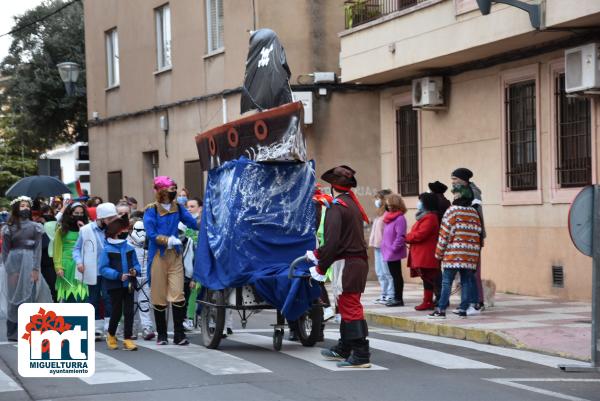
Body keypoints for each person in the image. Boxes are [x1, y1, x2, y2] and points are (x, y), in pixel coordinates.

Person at [309, 165, 371, 368]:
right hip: (355, 262)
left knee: (351, 306)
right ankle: (344, 347)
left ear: (333, 187)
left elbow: (332, 241)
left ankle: (361, 354)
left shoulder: (336, 206)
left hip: (348, 262)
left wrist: (320, 262)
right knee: (346, 305)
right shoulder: (351, 203)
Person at [144, 176, 198, 345]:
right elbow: (151, 234)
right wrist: (168, 240)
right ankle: (161, 334)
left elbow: (193, 223)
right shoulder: (151, 210)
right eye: (169, 190)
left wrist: (207, 221)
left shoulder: (179, 208)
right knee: (159, 295)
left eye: (174, 189)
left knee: (178, 294)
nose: (173, 192)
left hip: (174, 255)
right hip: (158, 256)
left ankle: (179, 334)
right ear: (161, 191)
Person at [1, 196, 52, 341]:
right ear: (17, 208)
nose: (26, 208)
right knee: (14, 297)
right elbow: (5, 252)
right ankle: (12, 332)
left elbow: (37, 250)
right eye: (22, 205)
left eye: (28, 206)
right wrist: (10, 270)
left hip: (30, 262)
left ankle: (29, 330)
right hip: (15, 262)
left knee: (30, 295)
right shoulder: (9, 228)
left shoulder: (36, 227)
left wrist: (35, 269)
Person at [428, 183, 482, 319]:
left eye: (455, 193)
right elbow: (478, 235)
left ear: (458, 195)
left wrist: (438, 253)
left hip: (453, 254)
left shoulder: (452, 211)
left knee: (447, 282)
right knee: (465, 282)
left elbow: (444, 234)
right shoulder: (474, 212)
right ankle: (463, 308)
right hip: (469, 255)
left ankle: (440, 309)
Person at [73, 202, 119, 340]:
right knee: (93, 299)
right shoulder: (85, 230)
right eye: (109, 219)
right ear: (101, 218)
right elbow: (76, 249)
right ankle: (96, 328)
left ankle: (110, 328)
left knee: (108, 297)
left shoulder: (113, 230)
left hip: (108, 269)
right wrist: (79, 262)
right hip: (92, 270)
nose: (112, 222)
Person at [99, 215, 141, 351]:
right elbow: (103, 269)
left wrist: (135, 271)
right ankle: (111, 335)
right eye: (123, 230)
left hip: (129, 284)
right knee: (116, 311)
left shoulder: (129, 247)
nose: (126, 232)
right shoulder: (107, 249)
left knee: (129, 312)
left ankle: (127, 339)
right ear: (117, 232)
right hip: (114, 285)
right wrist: (117, 275)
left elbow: (136, 263)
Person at [451, 168, 486, 313]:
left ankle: (477, 301)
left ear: (463, 180)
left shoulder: (473, 193)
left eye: (455, 179)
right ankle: (467, 301)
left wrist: (479, 235)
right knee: (466, 271)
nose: (453, 182)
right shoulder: (460, 192)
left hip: (472, 236)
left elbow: (477, 216)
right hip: (463, 236)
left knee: (473, 271)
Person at [406, 193, 441, 311]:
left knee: (429, 279)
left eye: (420, 201)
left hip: (426, 253)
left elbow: (421, 234)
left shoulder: (430, 217)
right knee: (427, 278)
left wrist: (407, 237)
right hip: (422, 252)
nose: (418, 203)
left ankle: (428, 301)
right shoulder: (425, 216)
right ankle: (428, 301)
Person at [53, 202, 90, 303]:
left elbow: (90, 247)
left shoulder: (87, 229)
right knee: (69, 296)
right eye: (76, 213)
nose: (78, 216)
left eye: (81, 213)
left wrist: (83, 230)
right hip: (66, 266)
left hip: (82, 265)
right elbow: (57, 250)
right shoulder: (61, 230)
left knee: (82, 295)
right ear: (70, 214)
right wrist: (58, 267)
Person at [127, 218, 155, 341]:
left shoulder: (150, 244)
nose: (142, 233)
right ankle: (131, 327)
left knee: (144, 303)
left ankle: (146, 327)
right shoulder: (126, 244)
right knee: (131, 304)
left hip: (146, 277)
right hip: (131, 277)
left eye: (144, 230)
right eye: (139, 230)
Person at [380, 194, 407, 307]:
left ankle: (398, 299)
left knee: (396, 276)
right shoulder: (388, 217)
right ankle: (396, 297)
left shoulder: (400, 218)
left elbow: (400, 236)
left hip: (393, 252)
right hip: (387, 251)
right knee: (393, 274)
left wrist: (393, 249)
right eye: (388, 205)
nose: (389, 207)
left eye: (392, 205)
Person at [368, 189, 394, 304]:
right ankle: (383, 294)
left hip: (385, 247)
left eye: (378, 198)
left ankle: (391, 294)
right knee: (380, 272)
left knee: (387, 272)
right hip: (377, 246)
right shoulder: (380, 214)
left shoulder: (388, 214)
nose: (376, 201)